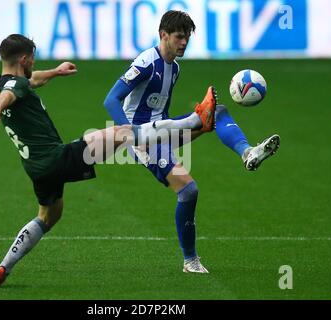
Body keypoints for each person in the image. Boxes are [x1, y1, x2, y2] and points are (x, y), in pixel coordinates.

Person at [0, 34, 216, 286]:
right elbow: (12, 93)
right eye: (32, 58)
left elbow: (26, 82)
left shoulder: (1, 84)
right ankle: (196, 119)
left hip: (37, 169)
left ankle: (2, 269)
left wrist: (55, 72)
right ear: (23, 58)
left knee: (49, 216)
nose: (34, 62)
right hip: (57, 158)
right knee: (124, 132)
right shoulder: (12, 89)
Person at [104, 10, 280, 273]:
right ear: (163, 35)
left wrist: (185, 130)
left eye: (187, 37)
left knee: (216, 113)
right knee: (189, 190)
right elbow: (110, 100)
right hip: (143, 140)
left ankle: (247, 152)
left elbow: (160, 111)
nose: (184, 42)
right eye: (179, 37)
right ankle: (190, 261)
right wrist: (131, 134)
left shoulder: (174, 68)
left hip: (163, 130)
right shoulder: (146, 63)